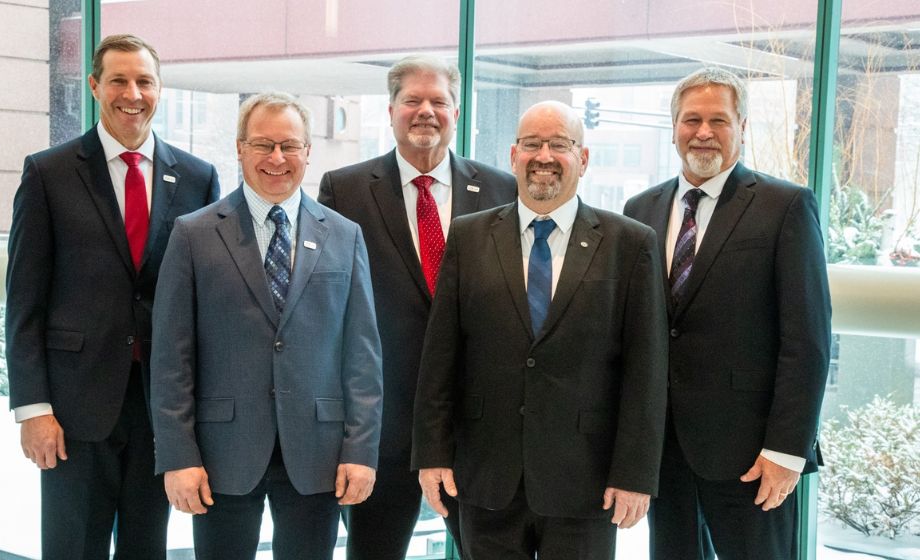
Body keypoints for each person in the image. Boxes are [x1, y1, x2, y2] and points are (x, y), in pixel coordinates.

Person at [411, 100, 668, 560]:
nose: (543, 156)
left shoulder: (629, 243)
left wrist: (635, 475)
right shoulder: (468, 237)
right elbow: (440, 357)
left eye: (559, 145)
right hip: (486, 476)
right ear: (514, 156)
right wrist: (432, 454)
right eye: (531, 144)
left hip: (586, 481)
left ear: (582, 159)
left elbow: (646, 371)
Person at [5, 33, 219, 560]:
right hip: (72, 409)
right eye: (119, 80)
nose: (133, 93)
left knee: (147, 549)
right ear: (95, 86)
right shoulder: (49, 173)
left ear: (160, 89)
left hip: (161, 408)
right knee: (73, 549)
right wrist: (32, 408)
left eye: (144, 81)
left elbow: (208, 306)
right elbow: (24, 303)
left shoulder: (198, 178)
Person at [149, 92, 383, 560]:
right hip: (221, 455)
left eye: (289, 145)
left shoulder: (345, 234)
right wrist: (178, 456)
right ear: (240, 148)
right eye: (263, 144)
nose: (277, 158)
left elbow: (363, 355)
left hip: (318, 454)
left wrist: (361, 450)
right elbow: (172, 357)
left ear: (307, 152)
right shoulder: (194, 234)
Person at [623, 67, 831, 560]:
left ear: (742, 127)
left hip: (752, 457)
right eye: (691, 119)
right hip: (663, 455)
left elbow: (807, 341)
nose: (703, 132)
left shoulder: (786, 206)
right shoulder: (639, 210)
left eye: (718, 120)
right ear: (674, 127)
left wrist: (786, 451)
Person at [317, 54, 516, 559]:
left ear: (456, 112)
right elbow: (330, 312)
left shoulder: (501, 189)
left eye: (439, 101)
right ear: (390, 111)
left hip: (474, 427)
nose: (426, 111)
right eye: (412, 100)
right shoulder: (345, 189)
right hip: (382, 427)